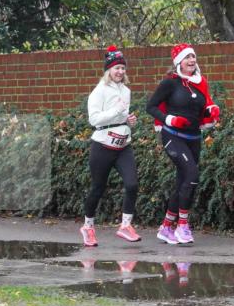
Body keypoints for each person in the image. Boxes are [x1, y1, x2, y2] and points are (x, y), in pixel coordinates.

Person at [146, 43, 220, 245]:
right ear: (179, 62)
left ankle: (166, 227)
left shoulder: (201, 82)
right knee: (192, 175)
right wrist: (169, 119)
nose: (192, 61)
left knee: (183, 182)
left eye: (194, 57)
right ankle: (182, 226)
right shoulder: (170, 83)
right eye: (188, 58)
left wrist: (211, 112)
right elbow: (150, 106)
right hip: (173, 136)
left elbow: (203, 108)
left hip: (193, 138)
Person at [80, 45, 140, 246]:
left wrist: (128, 121)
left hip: (123, 146)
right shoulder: (98, 92)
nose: (120, 72)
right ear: (108, 70)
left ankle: (125, 225)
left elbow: (121, 117)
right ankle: (88, 227)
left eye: (123, 68)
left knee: (132, 184)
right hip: (102, 146)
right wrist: (116, 112)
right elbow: (94, 120)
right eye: (116, 68)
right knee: (98, 188)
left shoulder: (127, 91)